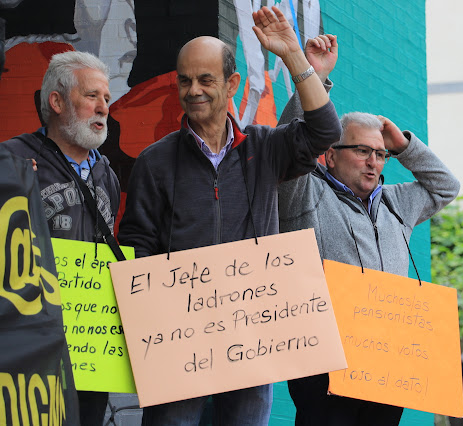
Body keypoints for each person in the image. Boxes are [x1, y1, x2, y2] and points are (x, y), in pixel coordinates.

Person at [117, 5, 341, 426]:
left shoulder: (266, 148)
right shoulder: (154, 161)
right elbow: (137, 246)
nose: (194, 90)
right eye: (185, 80)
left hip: (251, 338)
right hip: (179, 341)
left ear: (232, 83)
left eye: (206, 79)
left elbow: (324, 131)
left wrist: (293, 55)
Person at [277, 36, 461, 426]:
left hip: (387, 363)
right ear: (329, 155)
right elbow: (292, 146)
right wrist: (314, 77)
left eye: (380, 155)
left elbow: (446, 187)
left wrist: (405, 146)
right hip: (324, 364)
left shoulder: (397, 201)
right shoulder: (305, 193)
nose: (373, 162)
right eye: (362, 151)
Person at [1, 50, 120, 425]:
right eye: (91, 96)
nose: (103, 107)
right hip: (32, 344)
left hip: (90, 346)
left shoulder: (108, 176)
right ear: (56, 101)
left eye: (106, 99)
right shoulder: (12, 160)